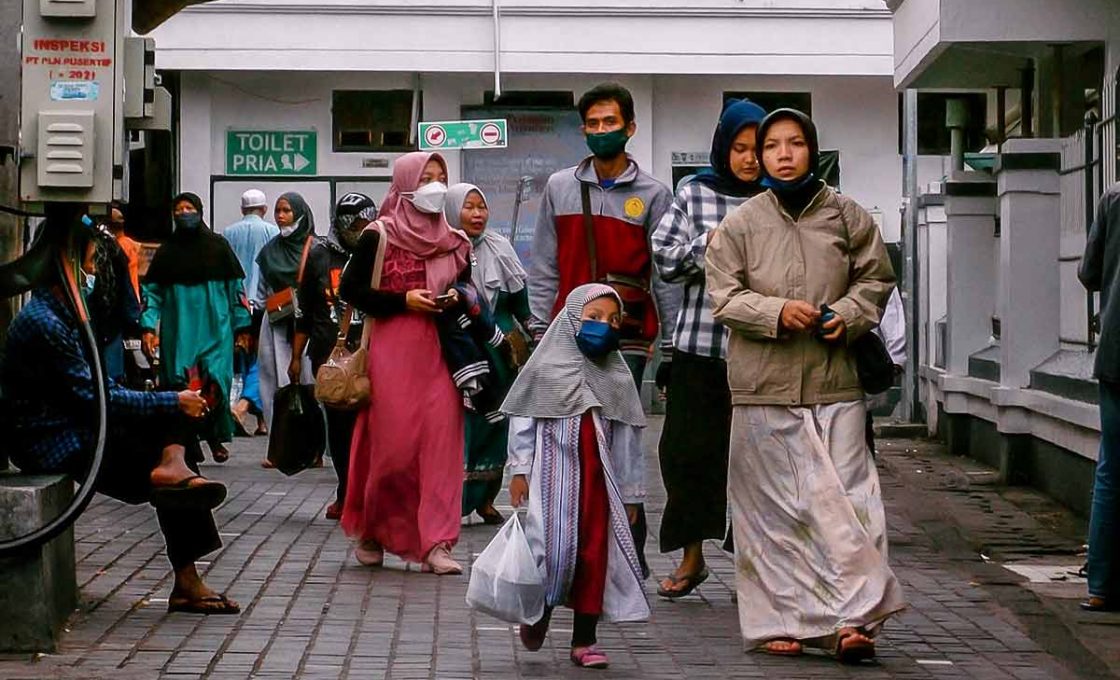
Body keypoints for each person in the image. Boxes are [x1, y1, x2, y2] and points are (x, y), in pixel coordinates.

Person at [705, 108, 905, 661]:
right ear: (758, 157)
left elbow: (876, 278)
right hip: (762, 387)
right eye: (772, 146)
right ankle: (780, 621)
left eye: (795, 143)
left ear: (813, 150)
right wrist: (775, 312)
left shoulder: (847, 215)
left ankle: (853, 619)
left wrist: (849, 314)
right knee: (773, 515)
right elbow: (723, 297)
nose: (784, 154)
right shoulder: (740, 224)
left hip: (835, 383)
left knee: (851, 504)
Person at [1, 225, 239, 615]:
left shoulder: (67, 313)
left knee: (172, 416)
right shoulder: (45, 322)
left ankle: (174, 466)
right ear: (68, 263)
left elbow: (99, 387)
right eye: (91, 263)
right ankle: (185, 563)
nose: (95, 272)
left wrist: (168, 400)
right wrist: (169, 402)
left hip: (79, 422)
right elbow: (96, 396)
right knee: (170, 424)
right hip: (55, 440)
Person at [528, 81, 679, 577]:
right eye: (592, 124)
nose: (600, 130)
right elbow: (544, 263)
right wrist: (540, 328)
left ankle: (626, 550)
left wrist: (672, 342)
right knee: (570, 436)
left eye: (609, 122)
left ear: (629, 127)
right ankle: (573, 545)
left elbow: (665, 273)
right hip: (567, 332)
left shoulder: (654, 195)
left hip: (627, 335)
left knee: (617, 436)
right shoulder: (559, 187)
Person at [650, 98, 767, 599]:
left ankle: (753, 568)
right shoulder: (695, 193)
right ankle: (692, 556)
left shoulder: (780, 198)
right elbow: (664, 257)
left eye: (758, 148)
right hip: (699, 347)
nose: (750, 159)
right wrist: (712, 244)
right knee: (687, 455)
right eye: (740, 148)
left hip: (762, 352)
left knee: (756, 462)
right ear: (723, 148)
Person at [503, 283, 649, 670]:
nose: (604, 326)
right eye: (593, 317)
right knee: (550, 553)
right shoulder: (544, 369)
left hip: (599, 491)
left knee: (594, 557)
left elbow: (628, 440)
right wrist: (520, 470)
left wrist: (631, 493)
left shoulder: (617, 378)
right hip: (551, 485)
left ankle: (585, 639)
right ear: (570, 319)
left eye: (613, 320)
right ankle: (539, 613)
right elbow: (523, 419)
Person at [338, 151, 472, 575]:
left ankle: (437, 543)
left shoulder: (454, 240)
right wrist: (403, 301)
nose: (435, 186)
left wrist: (456, 297)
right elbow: (350, 290)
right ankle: (373, 530)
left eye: (440, 177)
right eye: (425, 178)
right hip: (392, 352)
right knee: (392, 449)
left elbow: (470, 291)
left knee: (441, 448)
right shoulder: (379, 234)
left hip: (443, 353)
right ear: (405, 185)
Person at [445, 183, 533, 525]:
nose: (477, 214)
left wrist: (535, 332)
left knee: (496, 424)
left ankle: (486, 499)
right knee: (462, 425)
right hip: (461, 351)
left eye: (481, 207)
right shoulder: (441, 250)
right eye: (468, 207)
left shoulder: (500, 248)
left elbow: (520, 302)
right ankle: (453, 499)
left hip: (500, 353)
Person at [141, 193, 252, 464]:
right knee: (181, 385)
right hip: (179, 333)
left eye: (189, 208)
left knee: (216, 383)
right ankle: (188, 442)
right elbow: (152, 294)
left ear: (200, 211)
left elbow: (236, 290)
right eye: (178, 209)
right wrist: (148, 327)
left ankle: (215, 436)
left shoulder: (219, 247)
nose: (184, 213)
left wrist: (243, 328)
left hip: (216, 329)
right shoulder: (167, 252)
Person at [291, 192, 377, 520]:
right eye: (354, 224)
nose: (361, 229)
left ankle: (369, 494)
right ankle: (346, 492)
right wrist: (296, 357)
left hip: (374, 353)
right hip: (332, 358)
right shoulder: (319, 256)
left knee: (373, 428)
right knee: (341, 431)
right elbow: (304, 311)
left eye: (366, 222)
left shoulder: (382, 252)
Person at [1078, 181, 1120, 612]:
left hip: (1116, 354)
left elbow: (1089, 274)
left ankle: (1102, 584)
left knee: (1112, 468)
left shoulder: (1114, 198)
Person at [254, 192, 317, 444]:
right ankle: (278, 445)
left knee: (309, 383)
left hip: (310, 326)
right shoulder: (270, 252)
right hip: (276, 325)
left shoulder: (316, 249)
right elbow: (261, 293)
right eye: (278, 211)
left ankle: (311, 446)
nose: (281, 216)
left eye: (287, 211)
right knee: (273, 383)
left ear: (300, 213)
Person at [222, 189, 279, 437]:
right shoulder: (272, 233)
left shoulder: (228, 233)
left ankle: (260, 418)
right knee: (262, 360)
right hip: (263, 304)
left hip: (236, 305)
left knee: (243, 357)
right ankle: (246, 408)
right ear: (264, 209)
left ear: (242, 209)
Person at [866, 288, 907, 456]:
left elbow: (891, 311)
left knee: (859, 424)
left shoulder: (870, 274)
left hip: (860, 362)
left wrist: (896, 360)